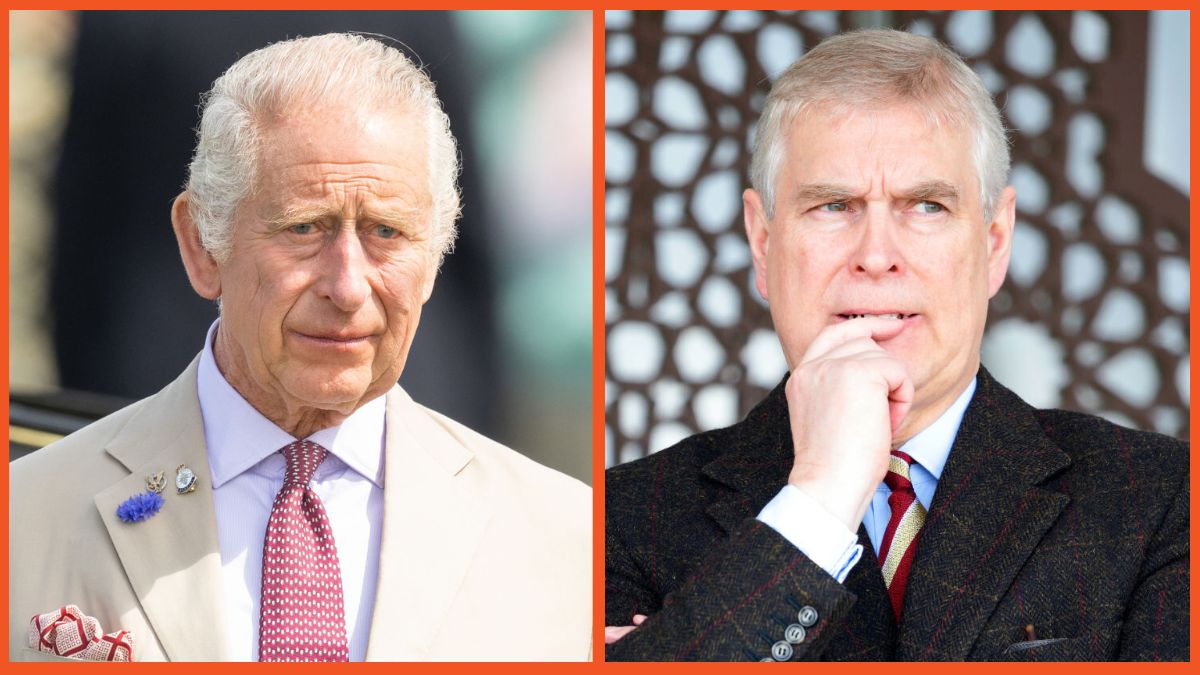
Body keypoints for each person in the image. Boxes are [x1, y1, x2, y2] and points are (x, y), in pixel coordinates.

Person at [604, 29, 1187, 662]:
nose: (876, 257)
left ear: (994, 242)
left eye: (927, 206)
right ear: (763, 243)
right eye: (833, 205)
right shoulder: (615, 519)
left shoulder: (1163, 501)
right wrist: (817, 501)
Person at [11, 33, 590, 662]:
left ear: (431, 260)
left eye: (386, 232)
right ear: (202, 246)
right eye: (304, 229)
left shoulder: (566, 537)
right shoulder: (29, 517)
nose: (346, 287)